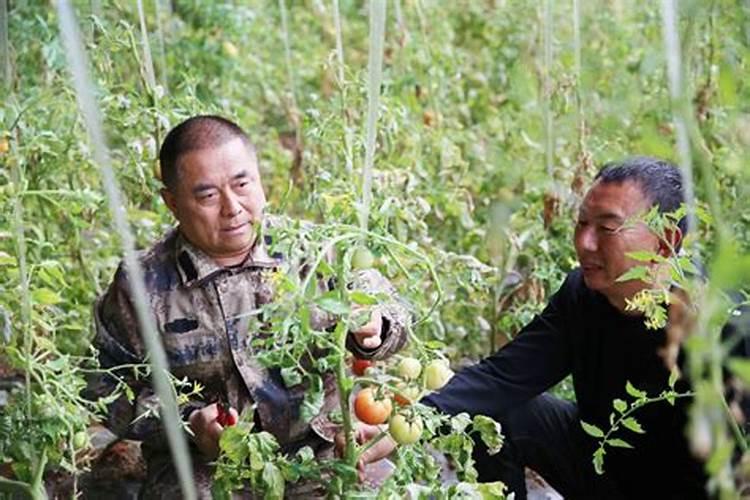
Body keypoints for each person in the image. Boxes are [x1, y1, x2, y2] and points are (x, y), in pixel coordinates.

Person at [353, 157, 748, 499]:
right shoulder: (583, 295)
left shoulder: (722, 323)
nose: (585, 242)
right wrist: (415, 421)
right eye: (581, 223)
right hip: (603, 468)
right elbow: (504, 376)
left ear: (666, 242)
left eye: (607, 228)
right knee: (493, 413)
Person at [87, 115, 409, 498]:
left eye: (243, 184)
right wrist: (187, 423)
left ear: (260, 179)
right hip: (207, 467)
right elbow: (103, 385)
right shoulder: (142, 284)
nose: (232, 207)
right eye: (208, 196)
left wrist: (374, 330)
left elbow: (389, 307)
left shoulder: (314, 251)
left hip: (322, 448)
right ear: (171, 202)